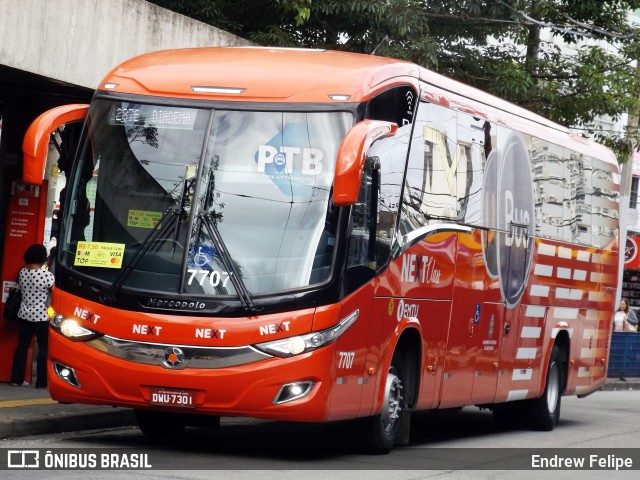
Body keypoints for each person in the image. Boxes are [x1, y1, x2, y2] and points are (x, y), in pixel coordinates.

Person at [10, 244, 54, 389]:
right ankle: (41, 382)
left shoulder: (22, 272)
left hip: (24, 313)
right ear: (42, 257)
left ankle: (16, 379)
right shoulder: (47, 276)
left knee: (22, 345)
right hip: (41, 316)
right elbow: (53, 292)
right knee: (44, 348)